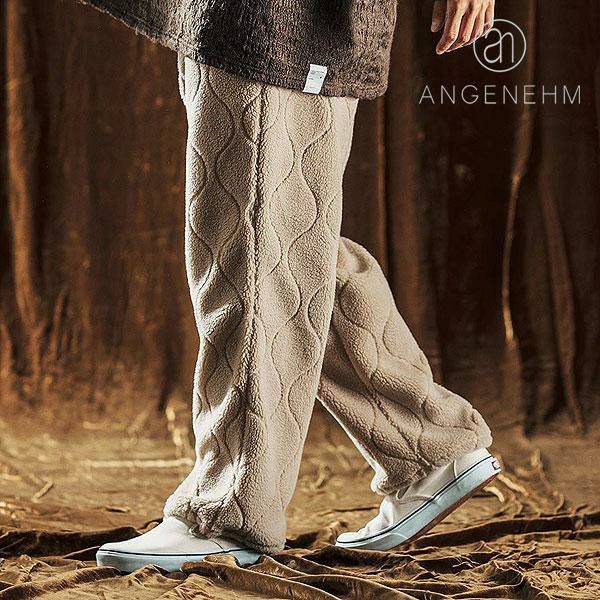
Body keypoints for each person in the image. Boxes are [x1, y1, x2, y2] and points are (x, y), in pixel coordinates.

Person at [80, 0, 499, 573]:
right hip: (253, 22)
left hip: (282, 22)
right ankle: (427, 446)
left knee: (253, 246)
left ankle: (230, 511)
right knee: (286, 238)